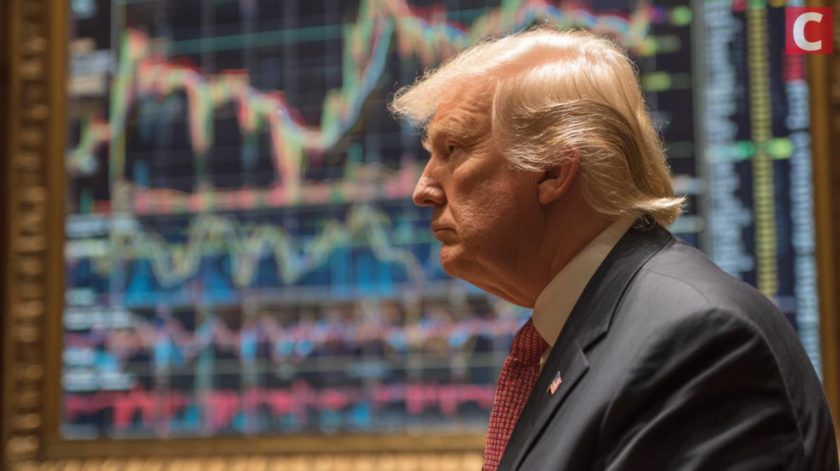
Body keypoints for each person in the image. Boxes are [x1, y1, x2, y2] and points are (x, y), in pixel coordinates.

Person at [389, 27, 838, 470]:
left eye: (453, 149)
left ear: (553, 170)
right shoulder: (596, 328)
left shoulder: (698, 340)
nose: (422, 190)